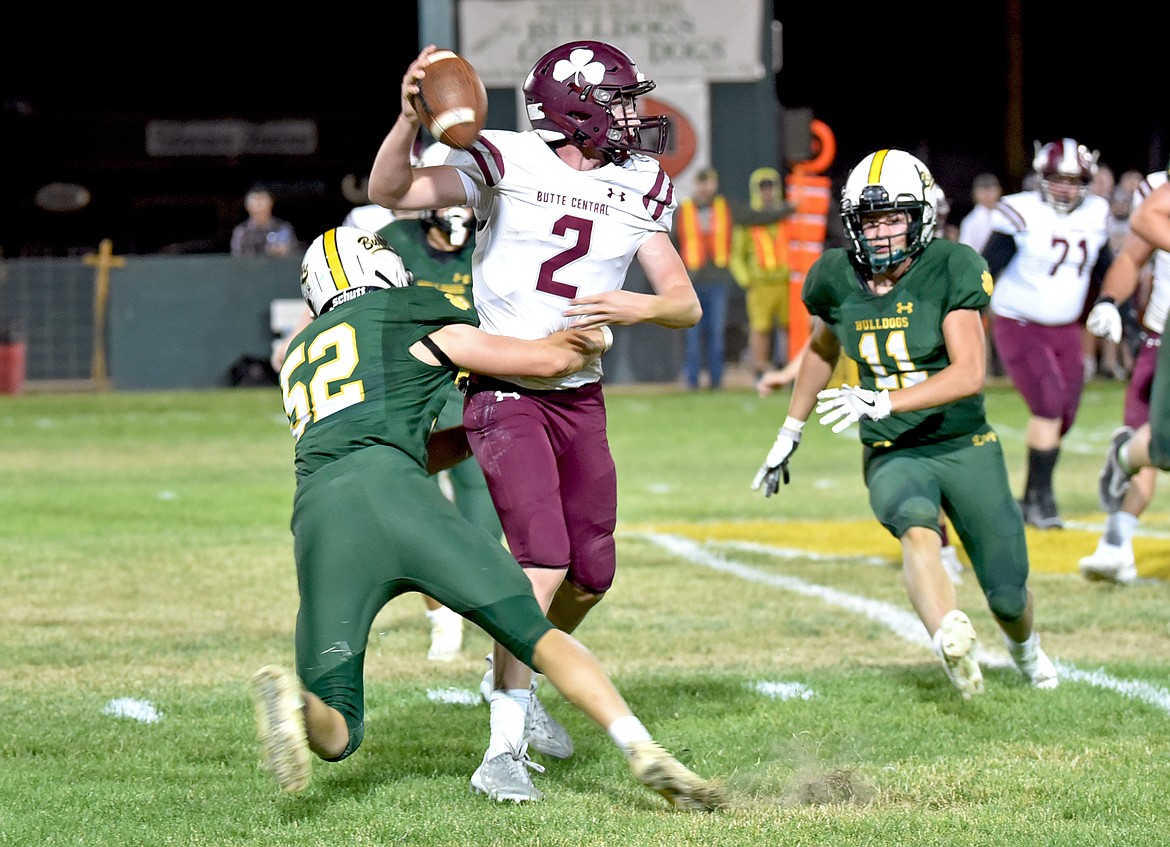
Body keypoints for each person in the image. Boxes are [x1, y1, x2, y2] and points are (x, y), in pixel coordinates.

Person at [252, 226, 723, 811]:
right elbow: (547, 360)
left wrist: (471, 435)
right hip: (396, 496)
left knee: (338, 729)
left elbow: (390, 444)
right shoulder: (404, 308)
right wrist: (592, 338)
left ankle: (301, 711)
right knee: (530, 628)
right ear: (381, 270)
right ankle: (639, 745)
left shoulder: (299, 356)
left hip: (320, 517)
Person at [366, 42, 701, 802]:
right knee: (542, 559)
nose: (631, 115)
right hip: (504, 387)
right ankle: (502, 748)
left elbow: (683, 302)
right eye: (615, 101)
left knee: (592, 571)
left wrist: (633, 305)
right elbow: (393, 189)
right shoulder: (509, 159)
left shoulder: (642, 182)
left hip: (580, 395)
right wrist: (404, 117)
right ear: (576, 108)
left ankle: (522, 671)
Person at [750, 148, 1058, 700]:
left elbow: (969, 373)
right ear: (852, 223)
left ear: (920, 218)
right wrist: (789, 432)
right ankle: (949, 639)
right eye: (870, 220)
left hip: (963, 441)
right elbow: (822, 347)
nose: (882, 232)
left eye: (893, 217)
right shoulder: (834, 277)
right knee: (917, 529)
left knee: (1009, 596)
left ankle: (1027, 651)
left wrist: (885, 400)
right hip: (893, 450)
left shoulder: (952, 266)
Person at [375, 149, 499, 660]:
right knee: (414, 503)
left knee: (481, 501)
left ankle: (480, 601)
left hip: (468, 382)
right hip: (410, 385)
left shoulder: (489, 237)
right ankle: (441, 617)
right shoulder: (393, 242)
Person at [983, 138, 1113, 529]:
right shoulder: (1020, 212)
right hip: (1019, 321)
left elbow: (1106, 267)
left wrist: (1116, 306)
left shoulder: (1097, 213)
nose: (1066, 189)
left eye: (1075, 181)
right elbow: (988, 266)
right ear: (1041, 178)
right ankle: (1042, 499)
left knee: (1065, 414)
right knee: (1049, 403)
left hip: (1066, 328)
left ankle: (1029, 498)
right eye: (1058, 179)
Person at [1080, 167, 1168, 584]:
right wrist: (1110, 301)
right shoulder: (1157, 194)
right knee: (1157, 446)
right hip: (1163, 337)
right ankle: (1115, 542)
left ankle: (1124, 457)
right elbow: (1134, 252)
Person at [730, 167, 795, 379]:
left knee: (790, 328)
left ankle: (789, 369)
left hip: (786, 281)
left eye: (770, 187)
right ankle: (760, 370)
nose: (767, 191)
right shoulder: (750, 218)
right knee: (760, 328)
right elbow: (736, 254)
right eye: (763, 187)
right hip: (761, 283)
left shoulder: (787, 215)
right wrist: (746, 279)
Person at [676, 166, 735, 389]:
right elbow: (671, 240)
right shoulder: (685, 208)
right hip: (692, 282)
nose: (704, 187)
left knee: (716, 335)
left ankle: (716, 381)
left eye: (708, 182)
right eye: (701, 182)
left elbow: (754, 216)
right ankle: (692, 381)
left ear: (714, 184)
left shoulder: (724, 207)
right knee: (692, 337)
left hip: (718, 280)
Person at [231, 185, 298, 257]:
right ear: (247, 205)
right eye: (255, 200)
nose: (259, 204)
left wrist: (283, 252)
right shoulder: (241, 231)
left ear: (271, 203)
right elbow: (237, 258)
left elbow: (294, 254)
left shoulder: (283, 228)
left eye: (262, 199)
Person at [957, 172, 1001, 254]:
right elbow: (966, 251)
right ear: (975, 194)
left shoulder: (1007, 214)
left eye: (992, 190)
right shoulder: (970, 221)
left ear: (999, 190)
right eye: (983, 191)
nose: (988, 195)